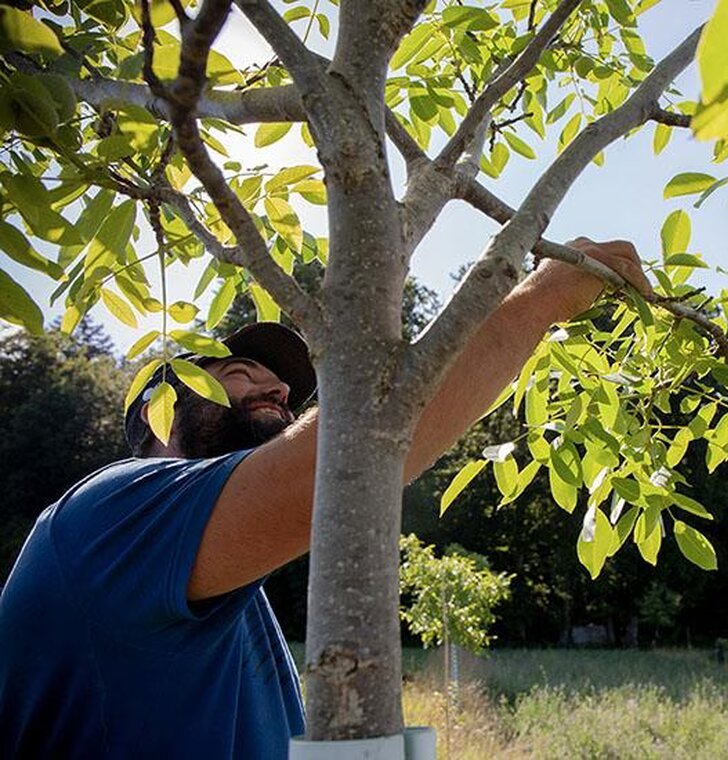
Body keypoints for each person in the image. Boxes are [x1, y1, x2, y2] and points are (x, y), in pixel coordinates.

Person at [0, 240, 650, 758]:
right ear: (158, 409)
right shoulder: (106, 515)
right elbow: (348, 457)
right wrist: (540, 298)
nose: (280, 391)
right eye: (239, 373)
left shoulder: (226, 587)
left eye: (285, 392)